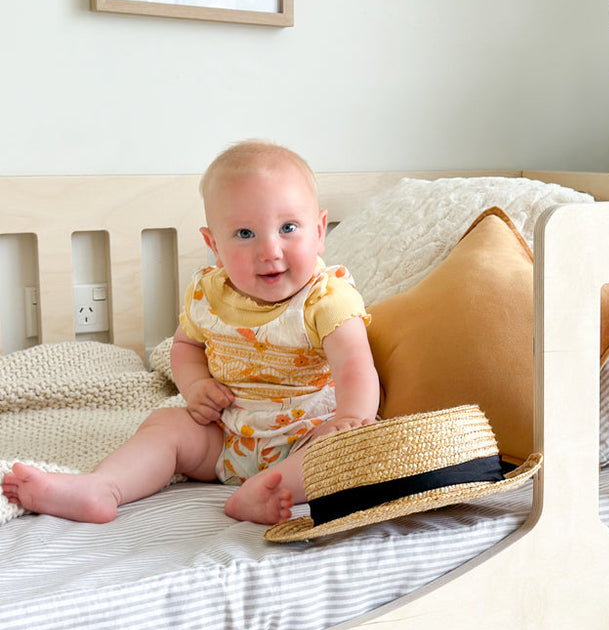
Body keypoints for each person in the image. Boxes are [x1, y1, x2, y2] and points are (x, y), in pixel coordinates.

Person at [1, 141, 380, 525]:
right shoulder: (209, 293)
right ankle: (104, 487)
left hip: (305, 434)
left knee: (349, 447)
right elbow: (185, 347)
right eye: (245, 233)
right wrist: (196, 387)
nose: (270, 250)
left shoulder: (326, 299)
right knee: (166, 425)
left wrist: (352, 416)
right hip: (227, 435)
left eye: (288, 228)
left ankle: (262, 489)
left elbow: (354, 365)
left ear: (318, 231)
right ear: (214, 245)